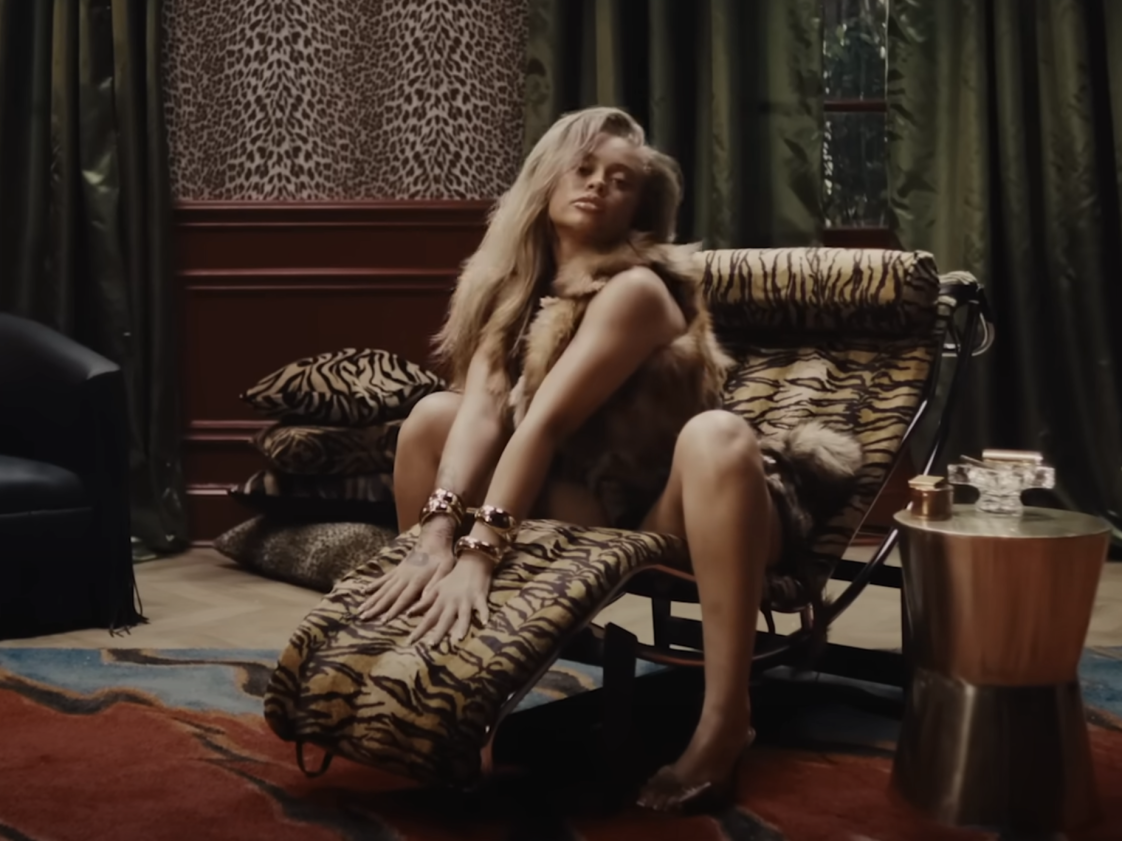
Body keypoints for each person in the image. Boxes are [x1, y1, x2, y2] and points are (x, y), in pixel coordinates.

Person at [355, 106, 790, 812]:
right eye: (584, 169)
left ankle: (724, 721)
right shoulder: (514, 287)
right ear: (548, 178)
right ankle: (445, 663)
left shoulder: (636, 288)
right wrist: (435, 535)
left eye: (620, 180)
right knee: (432, 416)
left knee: (718, 434)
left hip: (678, 509)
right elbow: (483, 411)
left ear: (638, 205)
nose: (598, 185)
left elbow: (546, 424)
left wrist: (480, 553)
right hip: (586, 502)